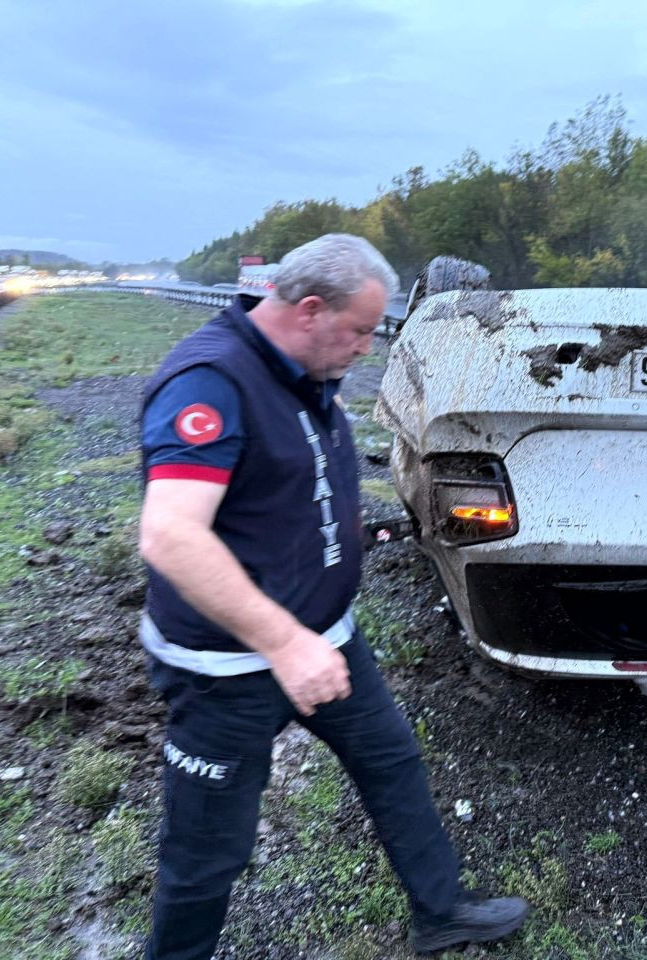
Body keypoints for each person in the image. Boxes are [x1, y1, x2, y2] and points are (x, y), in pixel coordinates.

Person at [136, 234, 529, 959]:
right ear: (309, 309)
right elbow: (170, 536)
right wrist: (283, 642)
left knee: (392, 763)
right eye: (358, 331)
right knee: (205, 858)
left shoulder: (302, 370)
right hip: (228, 668)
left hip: (328, 640)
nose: (365, 347)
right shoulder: (209, 382)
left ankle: (439, 911)